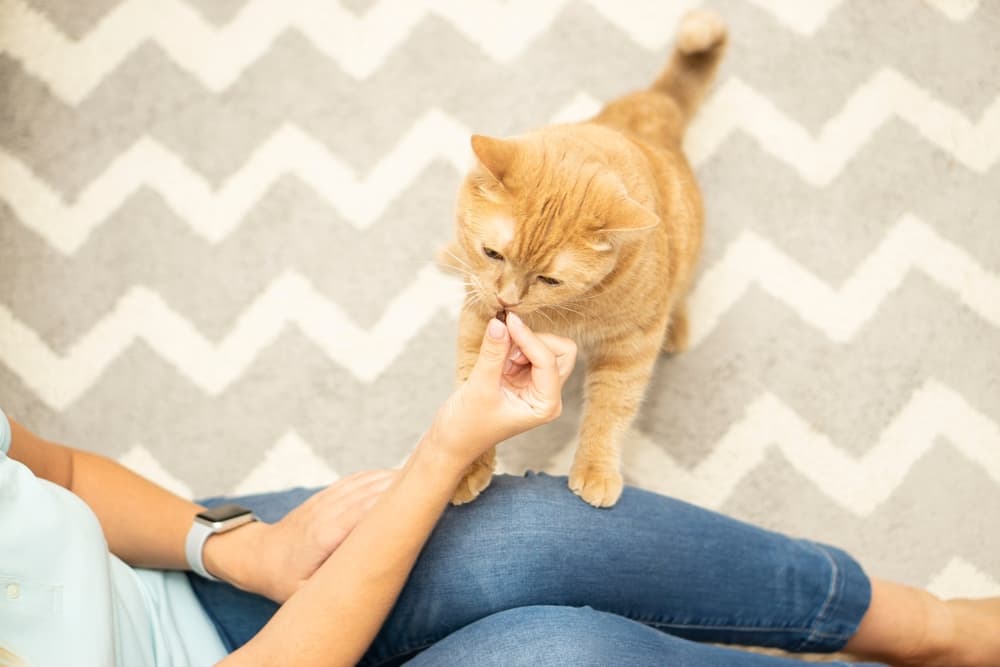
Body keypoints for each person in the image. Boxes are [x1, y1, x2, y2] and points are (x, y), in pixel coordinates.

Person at [1, 312, 997, 667]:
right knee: (566, 657)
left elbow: (61, 471)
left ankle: (928, 627)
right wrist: (442, 450)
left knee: (531, 536)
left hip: (179, 594)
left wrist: (230, 547)